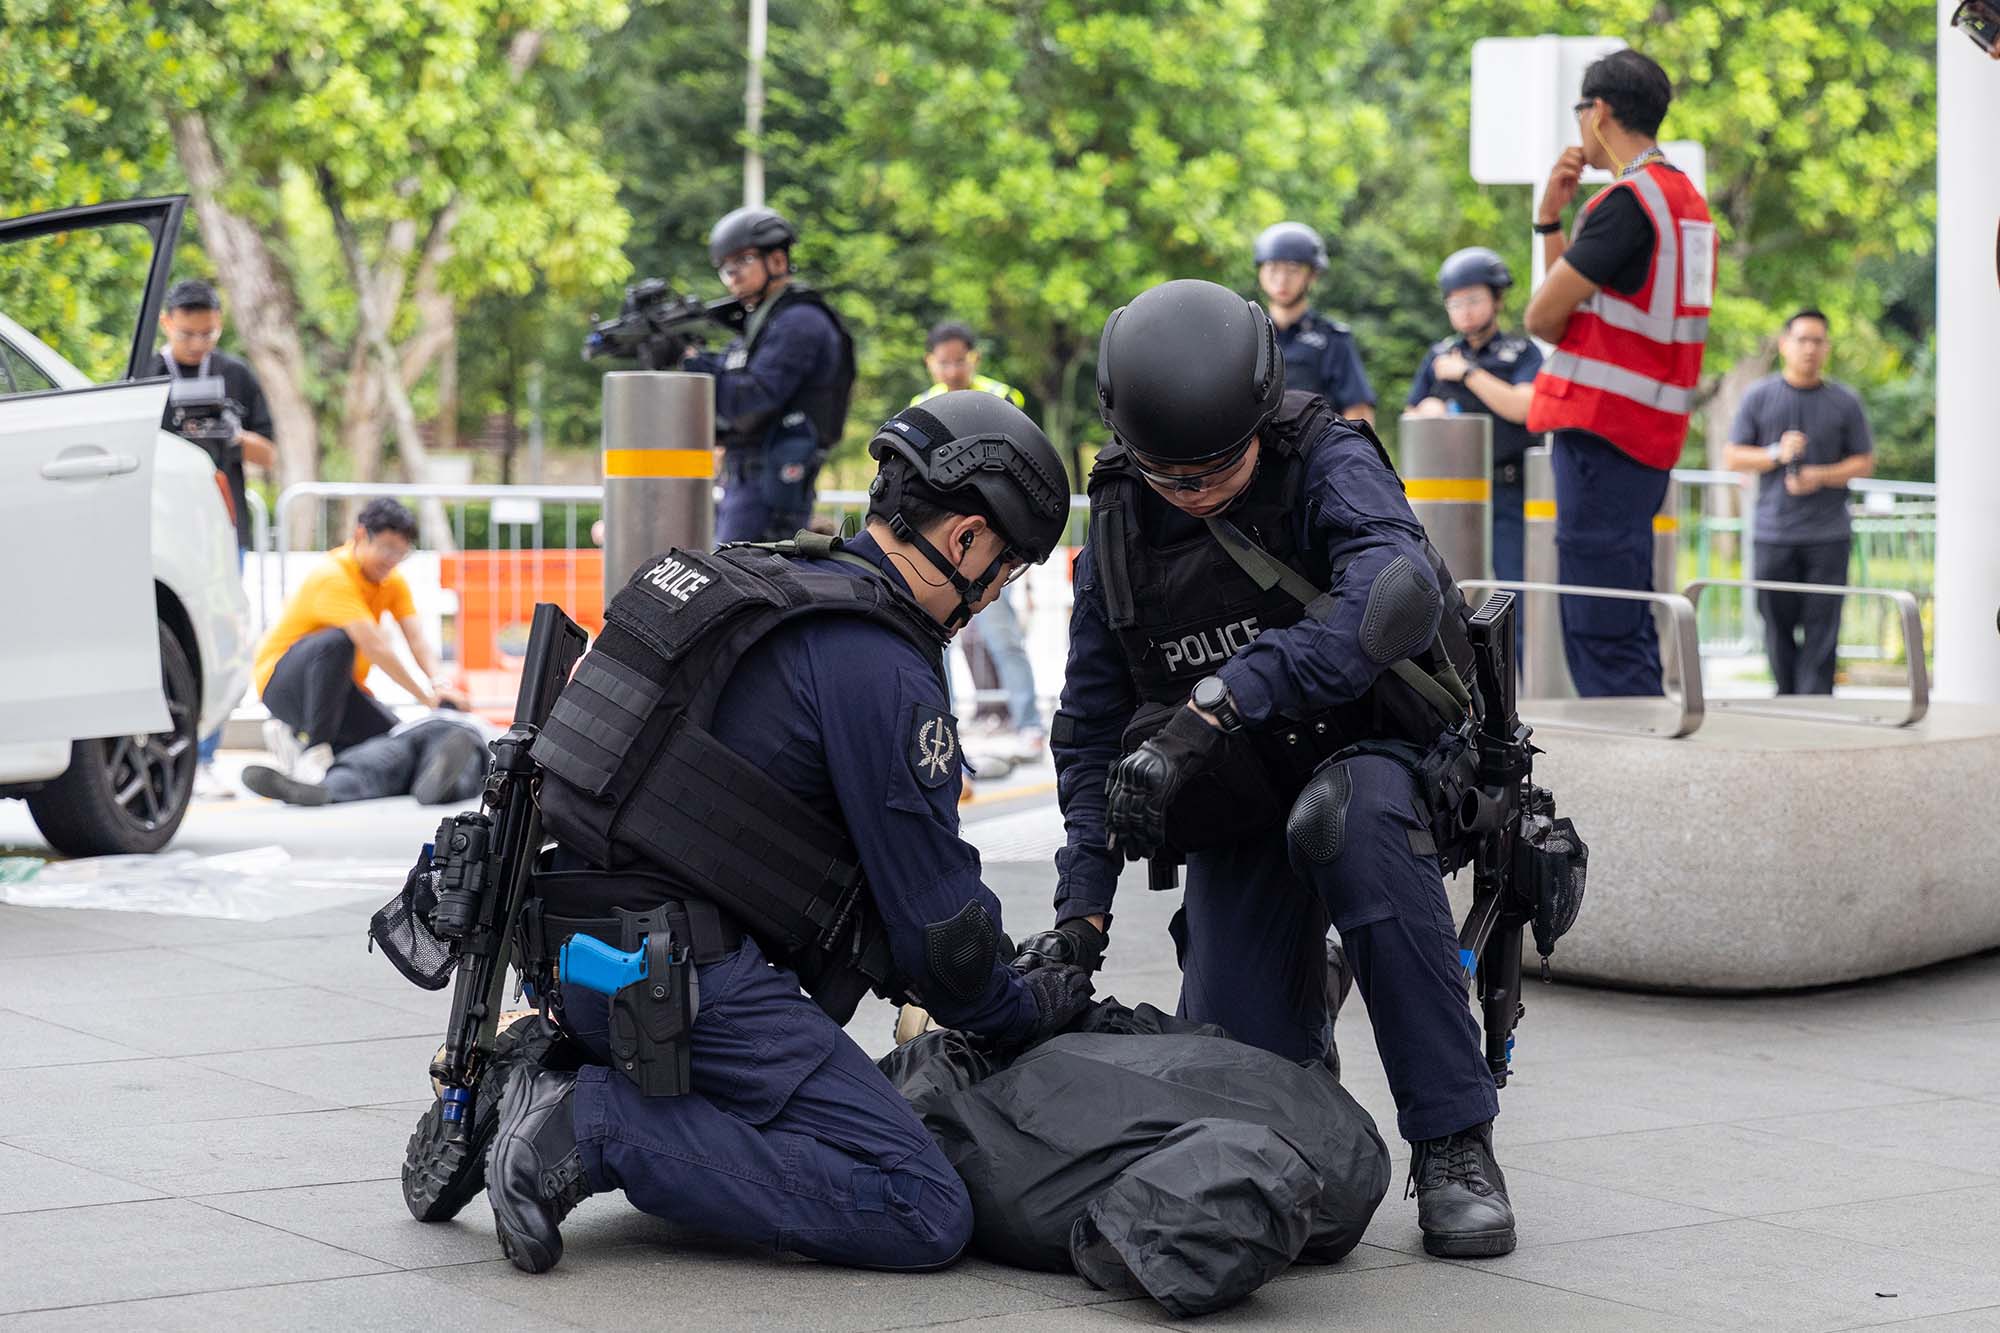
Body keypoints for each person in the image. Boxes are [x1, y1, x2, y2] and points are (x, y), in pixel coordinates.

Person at [482, 390, 1097, 1274]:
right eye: (1004, 570)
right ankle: (597, 1120)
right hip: (679, 982)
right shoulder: (884, 666)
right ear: (964, 539)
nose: (991, 597)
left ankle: (557, 1073)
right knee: (920, 1206)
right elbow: (944, 943)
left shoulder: (764, 580)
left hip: (574, 959)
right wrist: (1028, 999)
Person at [1036, 278, 1516, 1259]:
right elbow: (1087, 726)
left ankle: (1455, 1140)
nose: (1197, 491)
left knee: (1352, 819)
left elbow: (1392, 586)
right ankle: (1305, 1023)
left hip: (1370, 757)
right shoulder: (1123, 516)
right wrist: (1079, 911)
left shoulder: (1325, 456)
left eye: (1216, 468)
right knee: (1243, 1096)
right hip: (1238, 797)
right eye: (1172, 475)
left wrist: (1221, 698)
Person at [1523, 49, 1715, 697]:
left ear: (1598, 111)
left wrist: (1558, 223)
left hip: (1601, 437)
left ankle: (1635, 785)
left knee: (1601, 629)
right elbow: (1584, 308)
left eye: (1582, 112)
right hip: (1648, 436)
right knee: (1624, 617)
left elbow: (1544, 317)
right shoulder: (1684, 202)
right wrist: (1551, 219)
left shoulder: (1628, 201)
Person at [155, 278, 277, 800]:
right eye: (188, 335)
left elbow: (269, 453)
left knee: (220, 641)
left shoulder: (236, 375)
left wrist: (235, 437)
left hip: (224, 532)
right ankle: (166, 754)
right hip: (159, 531)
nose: (199, 345)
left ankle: (206, 757)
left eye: (208, 334)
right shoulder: (144, 372)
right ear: (166, 323)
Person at [251, 499, 467, 783]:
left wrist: (440, 684)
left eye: (401, 553)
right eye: (387, 549)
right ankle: (313, 749)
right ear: (361, 535)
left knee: (394, 742)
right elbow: (374, 646)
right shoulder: (332, 576)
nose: (392, 560)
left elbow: (416, 637)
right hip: (282, 685)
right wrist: (426, 698)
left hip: (338, 693)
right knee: (339, 642)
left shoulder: (392, 581)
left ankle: (325, 766)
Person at [1724, 310, 1875, 694]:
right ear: (1784, 344)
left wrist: (1819, 476)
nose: (1810, 349)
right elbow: (1734, 456)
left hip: (1828, 535)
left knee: (1824, 627)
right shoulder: (1760, 396)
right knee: (1775, 624)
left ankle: (1816, 704)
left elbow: (1864, 462)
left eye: (1818, 341)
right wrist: (1775, 453)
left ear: (1827, 347)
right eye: (1802, 340)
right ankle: (1785, 698)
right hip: (1774, 534)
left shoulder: (1844, 400)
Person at [912, 322, 1044, 755]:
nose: (952, 369)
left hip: (989, 537)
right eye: (943, 361)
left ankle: (1028, 723)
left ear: (975, 358)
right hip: (937, 542)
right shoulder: (921, 406)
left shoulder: (1002, 398)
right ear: (930, 362)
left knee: (1001, 633)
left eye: (959, 360)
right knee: (934, 637)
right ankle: (941, 725)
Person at [687, 206, 856, 543]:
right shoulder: (764, 322)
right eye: (725, 268)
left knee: (739, 583)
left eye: (742, 261)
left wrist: (693, 362)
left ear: (777, 261)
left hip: (767, 489)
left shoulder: (799, 321)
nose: (732, 275)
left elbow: (753, 398)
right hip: (747, 481)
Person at [1406, 248, 1544, 584]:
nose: (1464, 311)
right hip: (1449, 496)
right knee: (1446, 591)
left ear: (1497, 299)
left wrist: (1468, 373)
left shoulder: (1522, 353)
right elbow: (1411, 414)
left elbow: (1523, 407)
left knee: (1513, 591)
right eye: (1454, 303)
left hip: (1508, 491)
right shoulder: (1439, 355)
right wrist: (1428, 411)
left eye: (1472, 300)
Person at [1253, 221, 1376, 425]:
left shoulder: (1333, 339)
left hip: (1317, 450)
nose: (1281, 279)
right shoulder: (1249, 335)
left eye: (1292, 269)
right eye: (1272, 268)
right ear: (1260, 272)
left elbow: (1359, 411)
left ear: (1312, 275)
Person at [238, 714, 488, 806]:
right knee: (368, 764)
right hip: (409, 737)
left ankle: (327, 789)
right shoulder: (426, 715)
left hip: (449, 739)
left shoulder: (476, 720)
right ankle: (444, 788)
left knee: (367, 767)